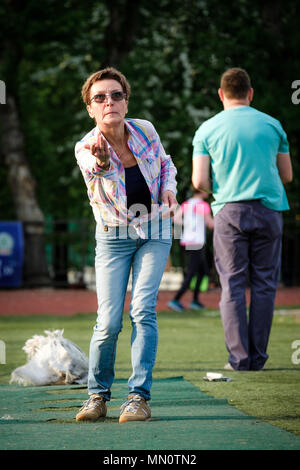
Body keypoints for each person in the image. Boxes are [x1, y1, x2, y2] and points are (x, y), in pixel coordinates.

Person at [74, 67, 177, 422]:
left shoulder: (145, 129)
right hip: (113, 237)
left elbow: (165, 164)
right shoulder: (86, 146)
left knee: (143, 310)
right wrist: (103, 159)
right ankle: (97, 397)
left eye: (116, 95)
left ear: (125, 100)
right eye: (100, 97)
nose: (109, 102)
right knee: (108, 322)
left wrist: (168, 189)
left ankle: (137, 398)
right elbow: (96, 167)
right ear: (90, 107)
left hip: (155, 229)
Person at [192, 68, 292, 371]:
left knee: (232, 285)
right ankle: (258, 358)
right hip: (269, 209)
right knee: (264, 285)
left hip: (229, 212)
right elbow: (287, 175)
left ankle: (239, 358)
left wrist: (221, 191)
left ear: (221, 95)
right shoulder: (273, 125)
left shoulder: (207, 129)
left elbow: (198, 181)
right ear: (250, 93)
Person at [168, 188, 214, 312]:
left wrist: (187, 224)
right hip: (197, 242)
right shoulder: (202, 205)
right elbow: (210, 223)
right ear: (201, 191)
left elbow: (175, 219)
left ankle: (195, 300)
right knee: (192, 273)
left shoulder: (187, 204)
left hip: (187, 241)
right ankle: (176, 300)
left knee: (202, 271)